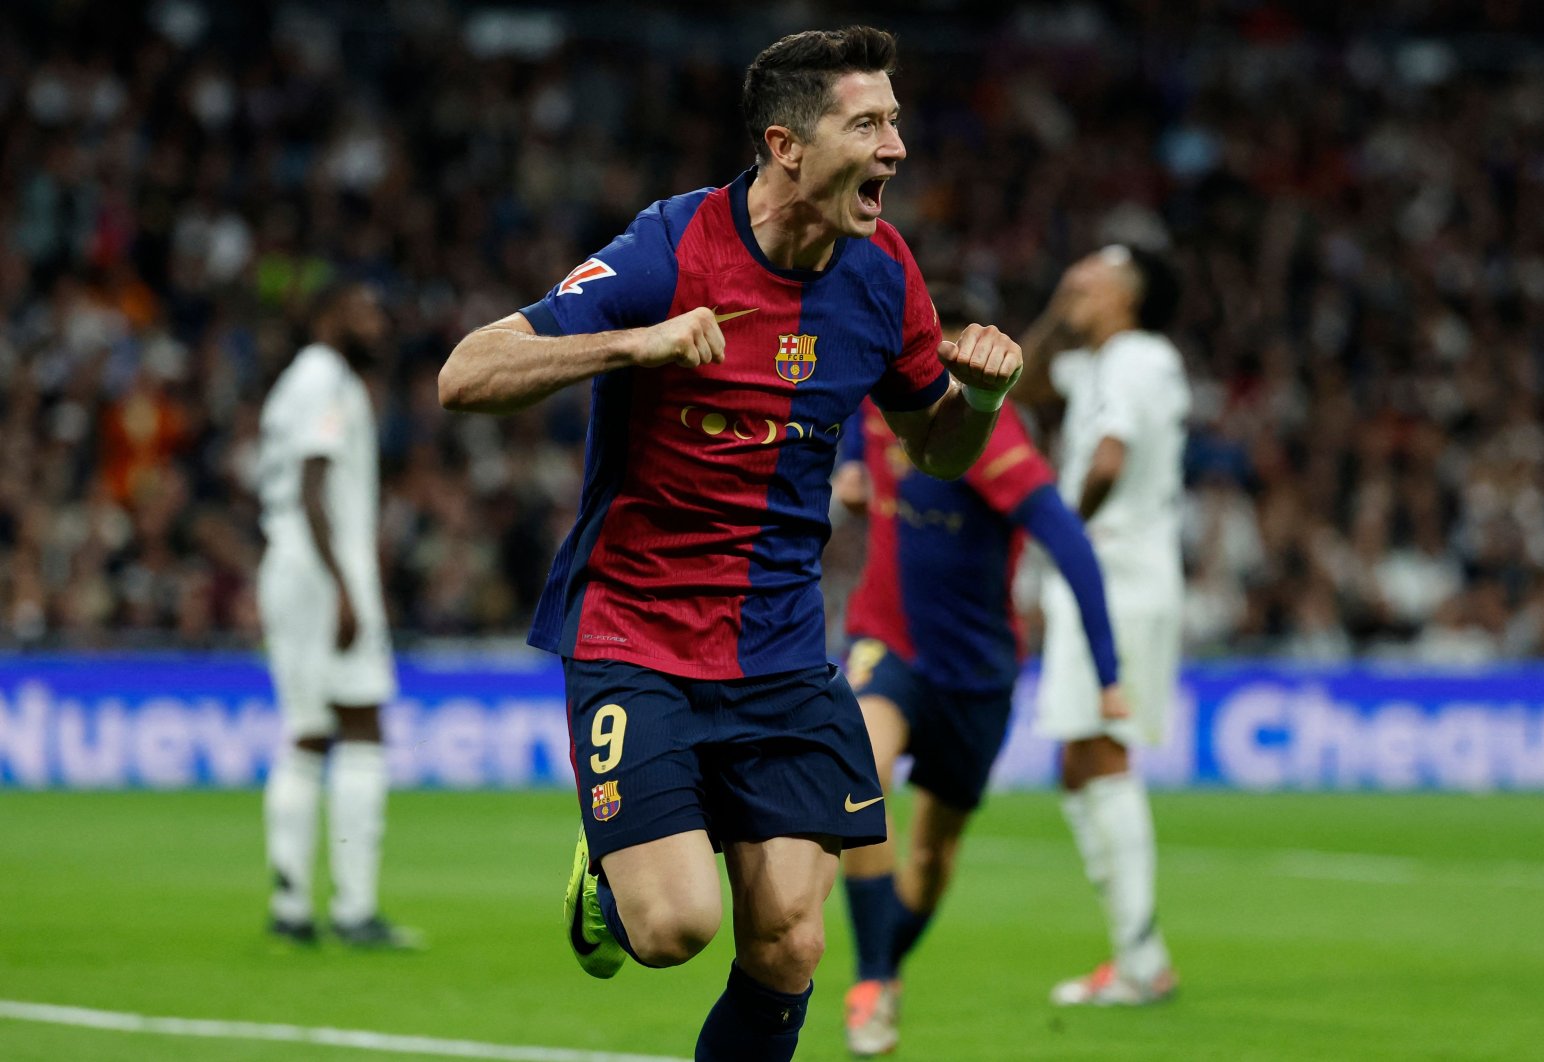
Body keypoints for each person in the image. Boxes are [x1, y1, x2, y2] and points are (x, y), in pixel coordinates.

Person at [437, 27, 1024, 1062]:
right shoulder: (670, 249)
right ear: (785, 144)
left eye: (896, 121)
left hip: (780, 650)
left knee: (791, 943)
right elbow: (466, 374)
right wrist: (636, 343)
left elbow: (937, 450)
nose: (896, 146)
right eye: (869, 122)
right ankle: (613, 884)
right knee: (675, 930)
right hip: (636, 631)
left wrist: (977, 399)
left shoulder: (883, 271)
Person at [831, 288, 1127, 1056]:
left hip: (976, 674)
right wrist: (851, 473)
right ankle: (869, 981)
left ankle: (884, 970)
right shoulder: (882, 397)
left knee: (932, 856)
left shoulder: (994, 440)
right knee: (855, 771)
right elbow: (848, 422)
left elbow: (1068, 541)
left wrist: (1108, 670)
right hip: (886, 639)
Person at [1016, 244, 1188, 1005]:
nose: (1076, 282)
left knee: (1101, 753)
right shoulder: (1110, 361)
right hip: (1117, 575)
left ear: (1127, 297)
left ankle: (1142, 959)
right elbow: (1016, 374)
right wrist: (1060, 307)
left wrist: (1064, 535)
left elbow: (1110, 460)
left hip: (1114, 575)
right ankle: (1133, 951)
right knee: (1078, 763)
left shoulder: (1133, 360)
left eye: (1092, 279)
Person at [257, 281, 418, 949]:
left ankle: (291, 905)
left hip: (289, 568)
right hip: (322, 574)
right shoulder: (326, 379)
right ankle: (354, 910)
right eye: (364, 308)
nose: (377, 322)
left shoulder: (298, 381)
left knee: (307, 732)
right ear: (327, 313)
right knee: (362, 726)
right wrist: (346, 587)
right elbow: (312, 482)